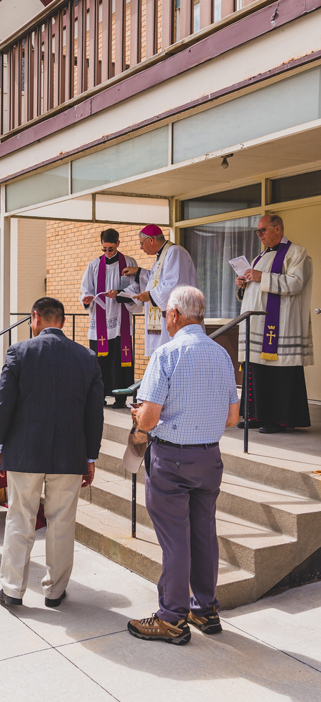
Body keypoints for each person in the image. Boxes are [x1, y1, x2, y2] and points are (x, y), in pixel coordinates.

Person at [127, 286, 239, 645]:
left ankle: (172, 618)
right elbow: (233, 418)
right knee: (204, 533)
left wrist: (139, 415)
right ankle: (204, 609)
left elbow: (147, 419)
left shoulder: (167, 354)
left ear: (174, 314)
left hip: (172, 458)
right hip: (209, 456)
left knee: (175, 540)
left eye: (164, 313)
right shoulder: (222, 354)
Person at [0, 297, 103, 608]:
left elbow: (3, 403)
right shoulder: (86, 357)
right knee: (62, 522)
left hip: (25, 451)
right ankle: (54, 591)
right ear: (63, 322)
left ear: (35, 317)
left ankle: (12, 590)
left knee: (19, 518)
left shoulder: (20, 352)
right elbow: (95, 413)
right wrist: (90, 457)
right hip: (70, 455)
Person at [236, 214, 313, 434]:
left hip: (280, 325)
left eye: (263, 231)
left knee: (278, 373)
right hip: (257, 324)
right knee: (257, 370)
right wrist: (243, 283)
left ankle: (278, 419)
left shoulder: (296, 252)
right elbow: (254, 289)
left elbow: (296, 283)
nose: (259, 235)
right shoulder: (260, 256)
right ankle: (256, 415)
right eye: (257, 232)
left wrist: (262, 277)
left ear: (277, 229)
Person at [80, 229, 141, 407]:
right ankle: (100, 396)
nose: (107, 253)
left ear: (118, 244)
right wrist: (86, 299)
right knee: (100, 364)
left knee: (119, 362)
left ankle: (120, 399)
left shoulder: (128, 263)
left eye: (111, 249)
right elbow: (86, 289)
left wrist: (120, 293)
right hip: (100, 321)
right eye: (104, 249)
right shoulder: (93, 265)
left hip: (120, 320)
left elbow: (136, 289)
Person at [123, 224, 198, 356]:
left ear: (151, 240)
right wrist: (139, 272)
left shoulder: (175, 252)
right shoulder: (163, 255)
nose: (141, 247)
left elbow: (174, 284)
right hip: (164, 319)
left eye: (141, 243)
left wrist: (151, 296)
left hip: (177, 317)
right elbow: (155, 280)